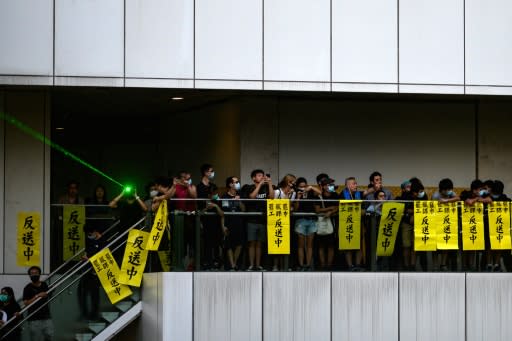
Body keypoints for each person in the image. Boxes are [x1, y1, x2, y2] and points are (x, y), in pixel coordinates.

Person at [241, 169, 274, 271]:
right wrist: (259, 185)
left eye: (263, 176)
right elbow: (252, 197)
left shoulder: (266, 188)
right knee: (251, 243)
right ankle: (251, 265)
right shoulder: (249, 187)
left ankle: (258, 265)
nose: (262, 177)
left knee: (260, 244)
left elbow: (272, 197)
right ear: (254, 178)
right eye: (259, 176)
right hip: (251, 220)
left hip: (263, 220)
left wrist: (269, 184)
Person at [460, 179, 492, 271]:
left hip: (477, 224)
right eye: (480, 189)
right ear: (474, 190)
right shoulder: (466, 193)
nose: (482, 191)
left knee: (473, 245)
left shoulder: (484, 195)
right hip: (466, 224)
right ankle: (464, 266)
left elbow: (489, 200)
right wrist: (477, 199)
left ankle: (471, 266)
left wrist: (478, 199)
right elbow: (469, 202)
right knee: (465, 246)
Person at [432, 178, 460, 271]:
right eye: (446, 190)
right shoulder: (436, 195)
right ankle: (435, 265)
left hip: (448, 222)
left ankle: (443, 264)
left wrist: (446, 201)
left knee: (446, 243)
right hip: (437, 222)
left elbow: (458, 198)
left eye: (449, 189)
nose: (448, 191)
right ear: (441, 189)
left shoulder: (451, 193)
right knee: (435, 246)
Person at [341, 177, 369, 271]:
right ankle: (350, 266)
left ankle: (357, 264)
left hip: (359, 223)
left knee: (359, 245)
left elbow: (365, 208)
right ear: (347, 185)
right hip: (346, 223)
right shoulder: (341, 194)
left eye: (356, 183)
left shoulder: (359, 194)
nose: (356, 185)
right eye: (353, 183)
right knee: (348, 244)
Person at [78, 224, 105, 320]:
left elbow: (103, 257)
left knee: (94, 293)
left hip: (96, 272)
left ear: (96, 232)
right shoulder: (89, 241)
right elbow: (88, 252)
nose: (89, 235)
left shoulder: (103, 242)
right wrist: (85, 257)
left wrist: (89, 259)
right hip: (87, 270)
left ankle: (94, 313)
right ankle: (85, 313)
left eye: (90, 233)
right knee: (82, 291)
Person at [293, 177, 321, 271]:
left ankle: (308, 265)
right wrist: (298, 197)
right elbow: (295, 209)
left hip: (311, 220)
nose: (303, 188)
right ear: (297, 187)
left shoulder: (311, 193)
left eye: (304, 186)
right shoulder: (295, 193)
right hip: (300, 220)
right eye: (301, 187)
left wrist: (311, 188)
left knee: (309, 245)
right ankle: (301, 265)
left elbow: (319, 192)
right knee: (300, 245)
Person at [313, 174, 339, 270]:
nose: (331, 186)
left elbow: (339, 207)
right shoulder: (319, 196)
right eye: (329, 184)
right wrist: (330, 208)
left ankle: (329, 266)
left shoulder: (335, 195)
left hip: (332, 223)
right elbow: (317, 210)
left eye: (332, 184)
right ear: (323, 187)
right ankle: (322, 266)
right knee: (321, 246)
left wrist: (331, 212)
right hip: (321, 224)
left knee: (331, 246)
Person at [272, 174, 297, 271]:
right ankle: (275, 265)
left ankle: (285, 265)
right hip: (277, 220)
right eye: (292, 181)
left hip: (287, 220)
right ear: (288, 182)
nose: (294, 184)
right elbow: (273, 204)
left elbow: (290, 205)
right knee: (277, 243)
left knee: (286, 244)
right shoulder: (277, 192)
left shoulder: (293, 193)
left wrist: (290, 195)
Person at [22, 266, 53, 341]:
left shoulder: (44, 285)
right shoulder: (27, 288)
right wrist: (37, 296)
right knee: (35, 339)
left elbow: (48, 294)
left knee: (49, 336)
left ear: (39, 274)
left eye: (36, 273)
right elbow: (26, 303)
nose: (34, 275)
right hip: (34, 319)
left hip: (46, 317)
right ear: (29, 275)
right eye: (32, 273)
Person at [221, 176, 245, 271]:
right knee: (229, 245)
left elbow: (243, 210)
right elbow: (223, 213)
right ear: (230, 184)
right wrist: (223, 226)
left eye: (238, 182)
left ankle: (234, 263)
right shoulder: (224, 196)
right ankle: (232, 265)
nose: (238, 183)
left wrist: (239, 202)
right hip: (228, 222)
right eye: (236, 182)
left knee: (239, 244)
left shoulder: (241, 195)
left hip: (238, 222)